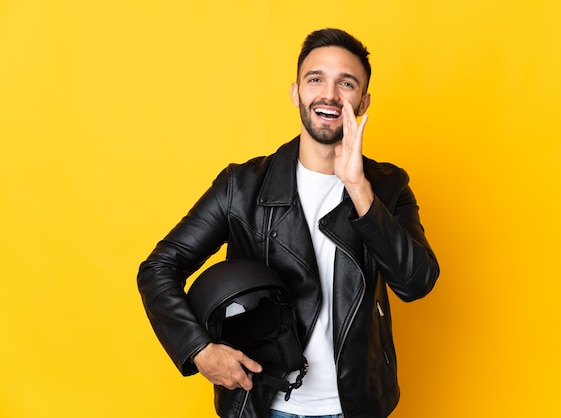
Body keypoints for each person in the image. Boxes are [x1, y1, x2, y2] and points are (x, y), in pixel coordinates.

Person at [137, 28, 440, 418]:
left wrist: (359, 189)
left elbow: (416, 283)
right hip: (265, 404)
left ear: (362, 102)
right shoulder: (241, 187)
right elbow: (159, 268)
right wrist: (198, 349)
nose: (329, 95)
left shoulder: (387, 185)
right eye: (316, 79)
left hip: (357, 406)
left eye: (345, 83)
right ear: (297, 92)